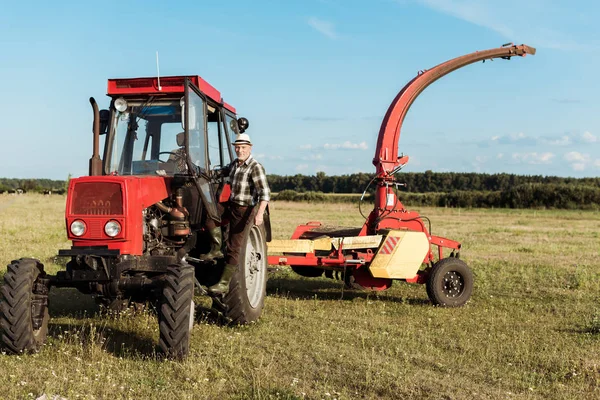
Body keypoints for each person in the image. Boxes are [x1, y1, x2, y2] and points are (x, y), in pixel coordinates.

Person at [202, 132, 270, 295]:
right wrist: (206, 173)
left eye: (243, 147)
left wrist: (259, 214)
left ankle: (224, 283)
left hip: (245, 210)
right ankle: (216, 248)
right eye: (237, 147)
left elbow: (265, 193)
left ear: (249, 148)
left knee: (234, 246)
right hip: (231, 205)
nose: (240, 150)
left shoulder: (255, 167)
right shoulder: (235, 164)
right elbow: (223, 171)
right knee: (210, 214)